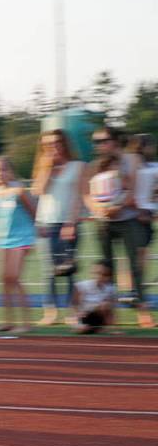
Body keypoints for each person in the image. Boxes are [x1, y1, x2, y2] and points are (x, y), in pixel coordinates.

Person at [87, 127, 151, 327]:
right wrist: (97, 208)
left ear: (115, 141)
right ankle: (110, 314)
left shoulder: (132, 159)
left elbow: (133, 188)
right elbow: (86, 193)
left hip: (129, 219)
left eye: (103, 140)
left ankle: (142, 309)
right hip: (103, 222)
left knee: (136, 266)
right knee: (107, 268)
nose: (99, 145)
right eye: (96, 142)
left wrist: (119, 206)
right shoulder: (94, 165)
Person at [31, 130, 88, 326]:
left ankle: (73, 312)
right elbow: (38, 191)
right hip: (45, 224)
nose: (52, 147)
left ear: (64, 143)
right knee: (49, 271)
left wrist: (71, 223)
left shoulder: (79, 166)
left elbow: (79, 197)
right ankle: (50, 311)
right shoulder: (43, 166)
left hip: (68, 224)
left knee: (70, 270)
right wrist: (48, 167)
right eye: (47, 144)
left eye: (56, 142)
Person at [0, 156, 35, 333]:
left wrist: (34, 238)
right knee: (4, 279)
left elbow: (33, 213)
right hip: (3, 240)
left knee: (14, 277)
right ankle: (8, 321)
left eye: (1, 170)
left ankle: (26, 323)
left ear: (10, 171)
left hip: (22, 238)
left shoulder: (19, 191)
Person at [126, 134, 156, 316]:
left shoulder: (152, 166)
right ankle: (135, 293)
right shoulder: (132, 165)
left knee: (140, 258)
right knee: (138, 258)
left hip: (147, 215)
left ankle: (134, 292)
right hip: (137, 216)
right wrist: (140, 210)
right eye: (149, 145)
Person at [70, 261, 117, 334]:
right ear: (94, 273)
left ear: (109, 277)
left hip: (99, 316)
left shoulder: (110, 288)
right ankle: (88, 328)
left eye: (105, 275)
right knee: (82, 330)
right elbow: (74, 304)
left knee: (105, 305)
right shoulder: (83, 285)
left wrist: (114, 327)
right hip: (85, 315)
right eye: (98, 273)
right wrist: (76, 319)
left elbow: (112, 310)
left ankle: (100, 328)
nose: (100, 277)